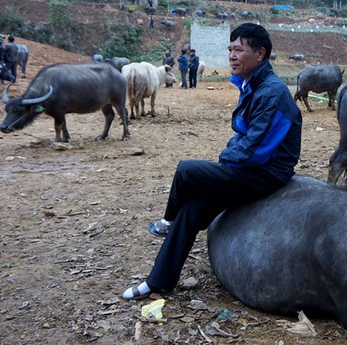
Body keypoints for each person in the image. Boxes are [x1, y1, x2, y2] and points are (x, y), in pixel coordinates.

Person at [121, 23, 302, 300]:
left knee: (186, 170)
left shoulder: (272, 92)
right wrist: (233, 152)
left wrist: (225, 159)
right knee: (192, 209)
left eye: (239, 50)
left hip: (266, 173)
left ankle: (167, 221)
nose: (232, 55)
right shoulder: (255, 85)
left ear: (260, 54)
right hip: (251, 167)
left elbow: (256, 150)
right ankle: (158, 281)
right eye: (230, 49)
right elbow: (243, 137)